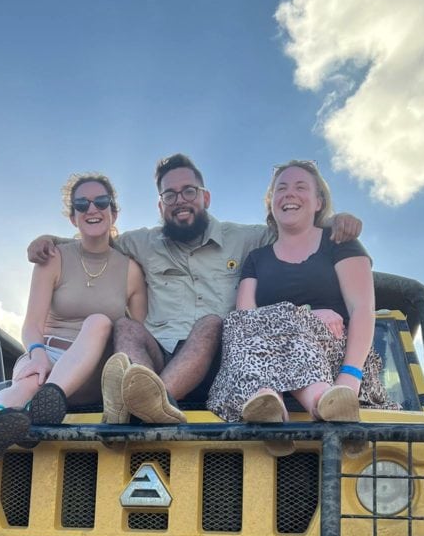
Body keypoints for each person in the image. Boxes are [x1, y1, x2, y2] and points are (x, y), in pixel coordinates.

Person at [27, 153, 362, 424]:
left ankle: (144, 406)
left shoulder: (245, 238)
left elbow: (294, 227)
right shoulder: (140, 243)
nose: (180, 200)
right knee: (126, 326)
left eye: (189, 191)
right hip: (158, 355)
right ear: (160, 206)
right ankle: (144, 392)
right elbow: (96, 237)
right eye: (169, 195)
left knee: (212, 322)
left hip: (215, 360)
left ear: (205, 197)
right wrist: (51, 242)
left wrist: (333, 221)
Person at [206, 160, 396, 424]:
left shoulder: (340, 243)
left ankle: (324, 402)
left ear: (319, 202)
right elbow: (246, 322)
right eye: (281, 188)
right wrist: (306, 313)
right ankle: (267, 402)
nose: (289, 194)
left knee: (280, 321)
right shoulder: (256, 259)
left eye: (300, 186)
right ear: (272, 204)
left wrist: (350, 374)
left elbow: (362, 309)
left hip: (337, 362)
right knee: (238, 324)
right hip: (264, 363)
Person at [0, 173, 146, 461]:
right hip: (48, 353)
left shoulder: (132, 272)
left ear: (114, 212)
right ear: (73, 217)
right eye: (82, 204)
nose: (92, 209)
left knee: (100, 321)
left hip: (93, 373)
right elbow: (31, 324)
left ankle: (41, 406)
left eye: (101, 201)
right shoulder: (53, 257)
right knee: (27, 382)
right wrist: (37, 353)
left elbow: (135, 333)